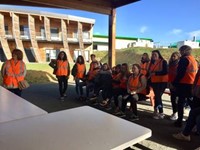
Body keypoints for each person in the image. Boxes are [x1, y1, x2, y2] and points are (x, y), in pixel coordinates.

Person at [172, 45, 198, 127]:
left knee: (180, 103)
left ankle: (179, 121)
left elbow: (181, 73)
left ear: (184, 51)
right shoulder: (192, 59)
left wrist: (174, 83)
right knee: (191, 103)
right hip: (191, 83)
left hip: (183, 84)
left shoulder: (184, 59)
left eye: (180, 51)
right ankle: (194, 121)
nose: (179, 53)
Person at [147, 50, 168, 119]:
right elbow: (149, 73)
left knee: (158, 97)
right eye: (152, 54)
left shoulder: (163, 62)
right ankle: (156, 111)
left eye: (155, 54)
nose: (153, 56)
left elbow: (165, 71)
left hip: (162, 82)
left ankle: (161, 112)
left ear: (159, 55)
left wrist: (155, 73)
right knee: (157, 97)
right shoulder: (151, 63)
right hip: (154, 82)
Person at [168, 52, 181, 120]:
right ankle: (174, 112)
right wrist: (169, 82)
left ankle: (177, 114)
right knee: (173, 99)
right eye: (172, 56)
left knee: (176, 99)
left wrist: (174, 84)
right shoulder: (170, 64)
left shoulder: (179, 64)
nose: (173, 57)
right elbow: (169, 74)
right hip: (171, 83)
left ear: (178, 57)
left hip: (177, 84)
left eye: (174, 56)